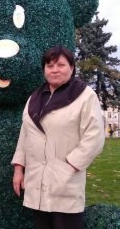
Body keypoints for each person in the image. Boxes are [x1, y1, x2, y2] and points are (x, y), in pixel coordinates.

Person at [12, 46, 104, 229]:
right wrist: (18, 168)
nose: (55, 70)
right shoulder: (34, 98)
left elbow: (94, 138)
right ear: (44, 69)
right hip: (37, 181)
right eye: (50, 65)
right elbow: (25, 135)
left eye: (61, 65)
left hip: (66, 182)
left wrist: (68, 167)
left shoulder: (85, 96)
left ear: (72, 67)